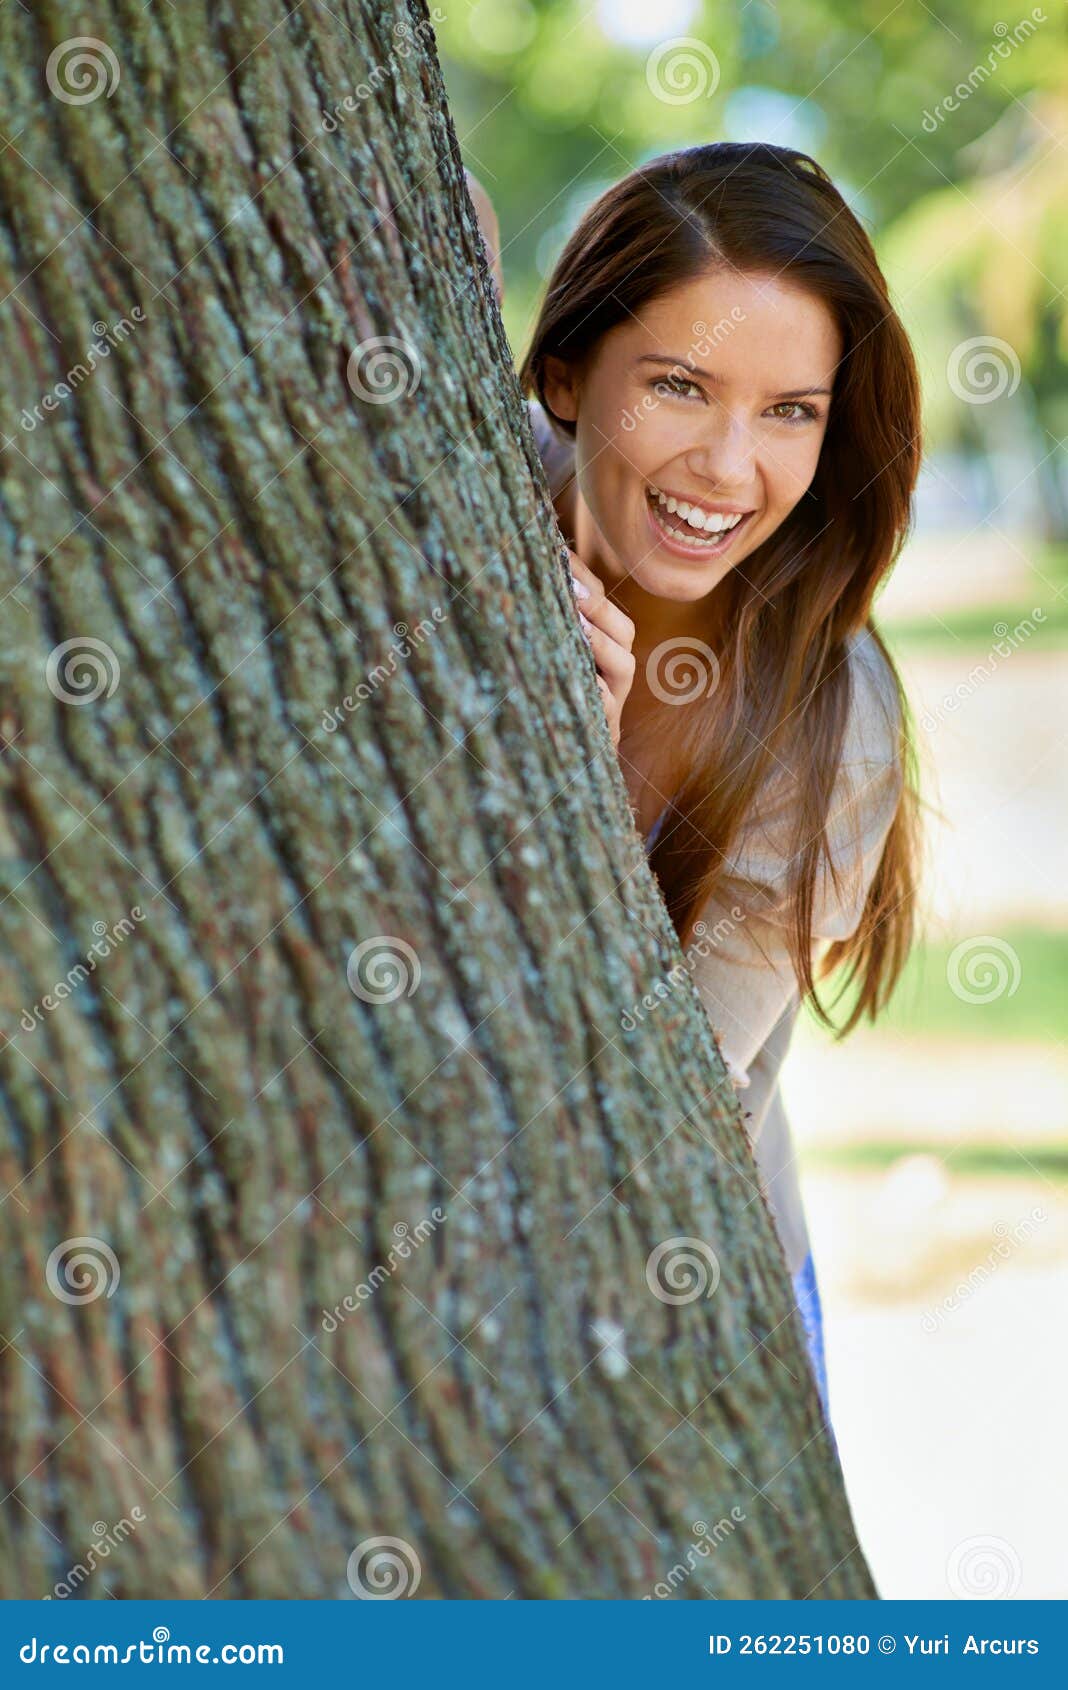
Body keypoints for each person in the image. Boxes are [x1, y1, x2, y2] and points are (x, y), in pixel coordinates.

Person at [467, 145, 923, 1418]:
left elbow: (640, 1106)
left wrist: (576, 781)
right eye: (679, 385)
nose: (730, 469)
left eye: (791, 410)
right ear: (564, 374)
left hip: (694, 1293)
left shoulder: (835, 725)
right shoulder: (462, 489)